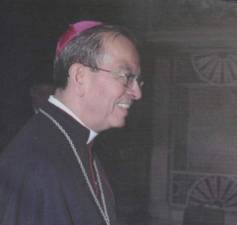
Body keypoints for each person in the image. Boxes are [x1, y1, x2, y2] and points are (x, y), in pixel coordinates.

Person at [0, 20, 142, 225]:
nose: (137, 92)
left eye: (138, 80)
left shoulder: (77, 144)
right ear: (80, 76)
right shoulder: (37, 165)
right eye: (126, 76)